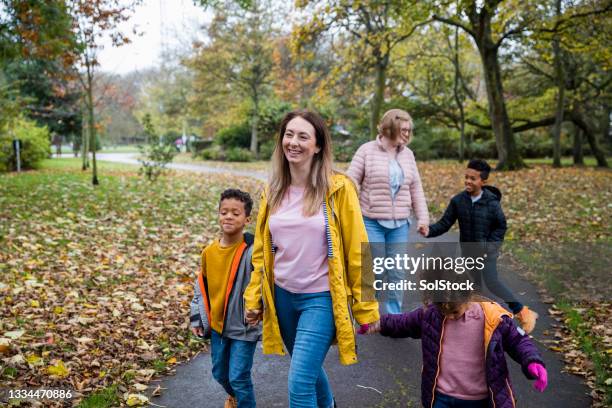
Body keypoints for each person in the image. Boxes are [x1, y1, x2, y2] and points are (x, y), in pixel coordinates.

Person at [243, 110, 379, 408]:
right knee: (310, 372)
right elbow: (261, 255)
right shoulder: (273, 191)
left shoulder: (338, 189)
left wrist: (366, 307)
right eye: (289, 134)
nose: (293, 142)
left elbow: (360, 248)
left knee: (299, 383)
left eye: (303, 136)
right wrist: (254, 297)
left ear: (317, 146)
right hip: (282, 297)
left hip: (321, 299)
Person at [362, 289, 548, 408]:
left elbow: (519, 341)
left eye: (454, 312)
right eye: (444, 311)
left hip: (482, 400)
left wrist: (532, 362)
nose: (449, 317)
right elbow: (403, 323)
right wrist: (377, 324)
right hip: (441, 397)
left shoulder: (494, 317)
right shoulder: (433, 314)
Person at [420, 159, 538, 333]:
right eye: (466, 177)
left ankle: (522, 311)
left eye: (472, 178)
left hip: (487, 252)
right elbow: (445, 223)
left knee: (492, 282)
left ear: (483, 181)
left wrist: (490, 248)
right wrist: (429, 230)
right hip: (468, 251)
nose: (468, 181)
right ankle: (474, 323)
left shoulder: (491, 203)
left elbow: (501, 226)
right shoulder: (458, 201)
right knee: (472, 287)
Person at [347, 108, 429, 314]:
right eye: (403, 130)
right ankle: (369, 311)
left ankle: (395, 316)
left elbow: (415, 187)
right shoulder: (366, 150)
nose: (407, 134)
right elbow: (350, 181)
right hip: (371, 220)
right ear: (389, 128)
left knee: (397, 271)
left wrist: (423, 218)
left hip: (400, 223)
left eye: (409, 130)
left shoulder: (408, 154)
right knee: (376, 270)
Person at [190, 189, 261, 408]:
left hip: (244, 327)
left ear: (247, 219)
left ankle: (243, 400)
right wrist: (196, 318)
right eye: (224, 212)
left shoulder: (252, 251)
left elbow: (263, 283)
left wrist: (258, 308)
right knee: (220, 374)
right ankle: (235, 397)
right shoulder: (209, 252)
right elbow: (200, 288)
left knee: (239, 376)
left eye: (235, 213)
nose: (228, 216)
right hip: (219, 327)